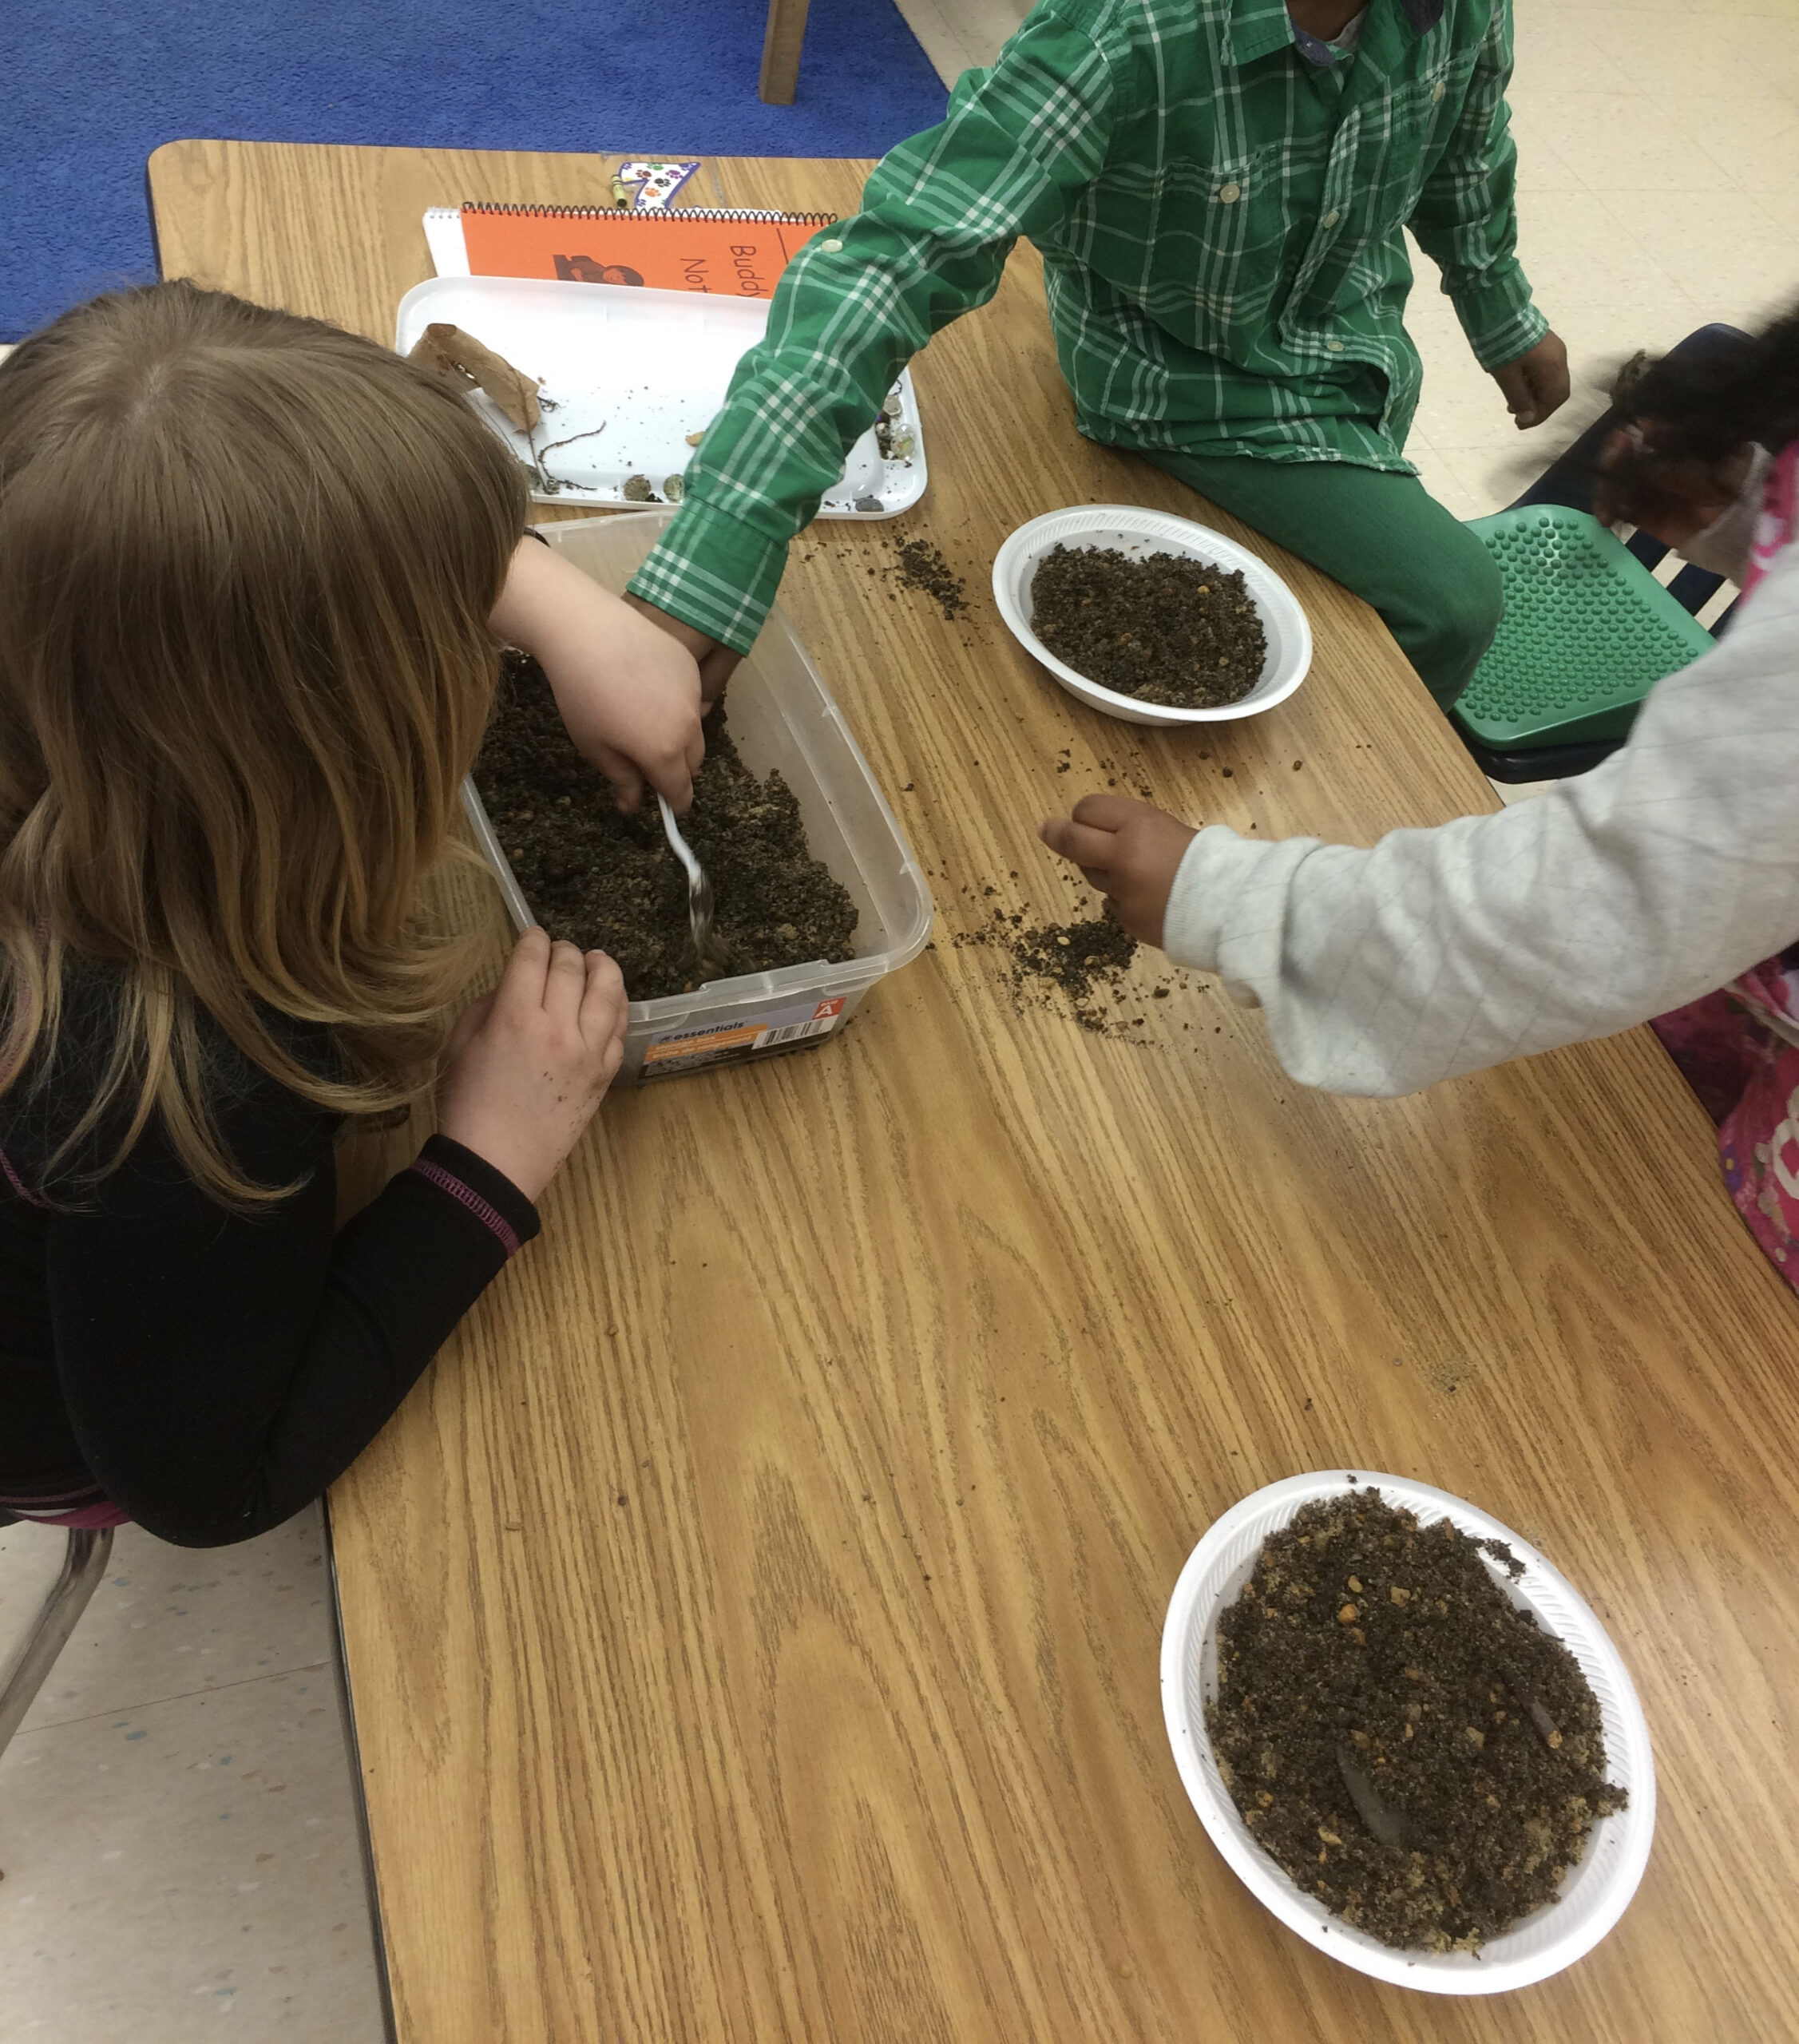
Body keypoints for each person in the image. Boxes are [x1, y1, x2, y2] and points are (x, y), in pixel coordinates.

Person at [0, 282, 704, 1545]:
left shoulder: (49, 642)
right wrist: (490, 1159)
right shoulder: (188, 1085)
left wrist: (564, 608)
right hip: (83, 1446)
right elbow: (214, 1493)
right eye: (445, 638)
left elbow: (192, 517)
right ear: (332, 761)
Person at [1038, 303, 1799, 1285]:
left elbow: (1603, 905)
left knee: (1687, 1278)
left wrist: (1224, 895)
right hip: (1748, 962)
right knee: (1636, 1120)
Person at [623, 0, 1568, 711]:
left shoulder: (1461, 11)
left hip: (1344, 353)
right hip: (1172, 377)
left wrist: (1500, 306)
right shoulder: (1126, 31)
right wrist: (719, 555)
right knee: (1451, 602)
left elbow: (1468, 150)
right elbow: (893, 259)